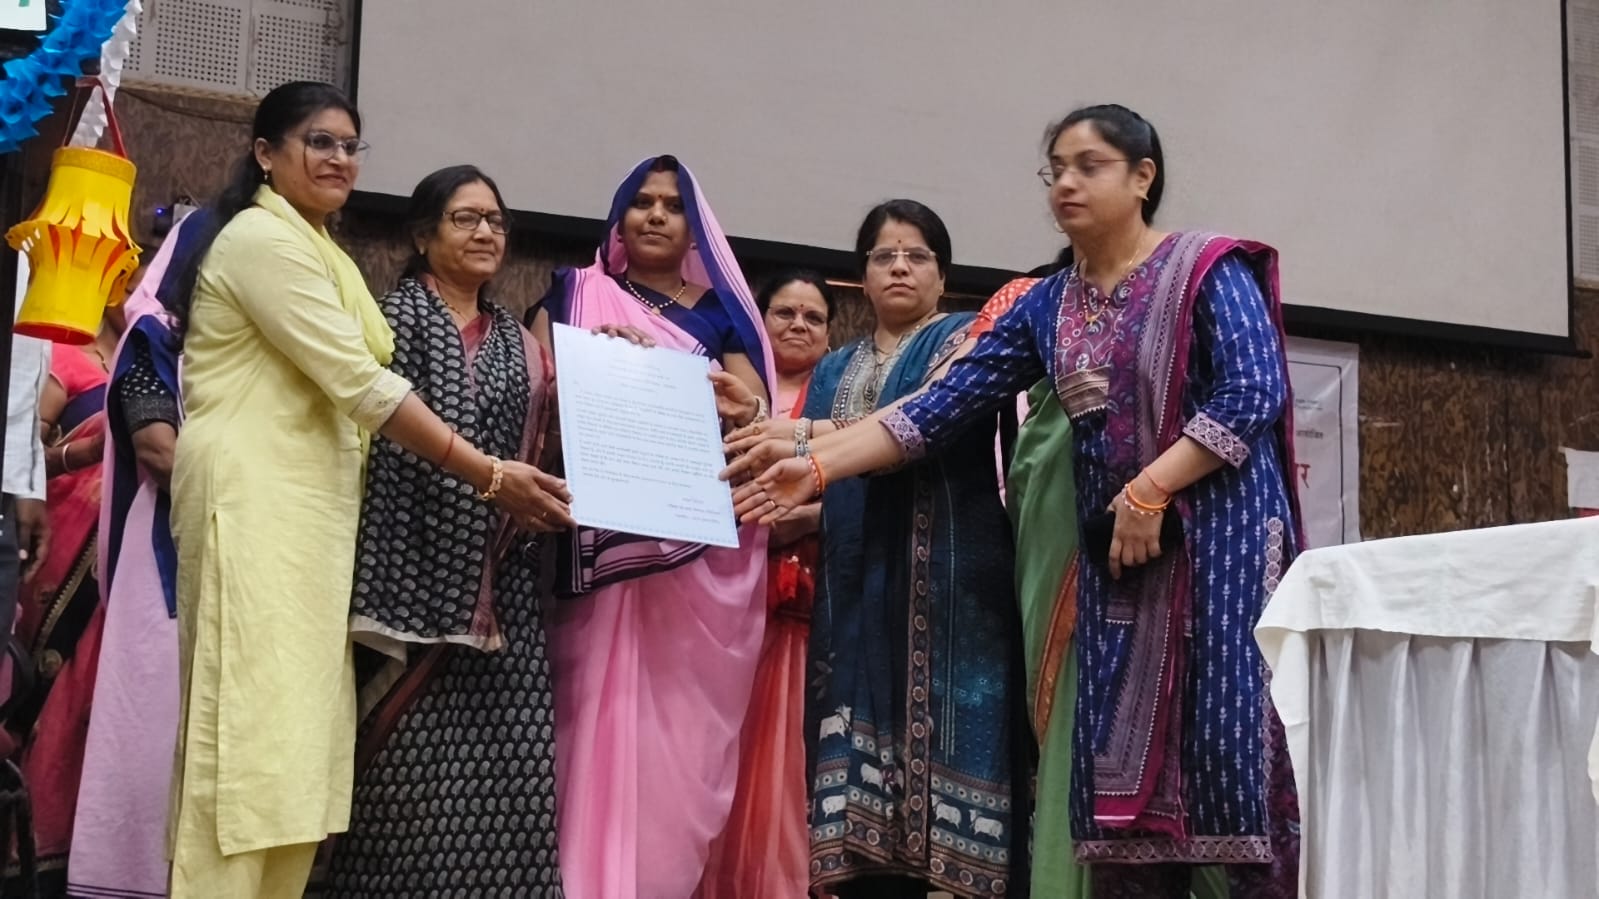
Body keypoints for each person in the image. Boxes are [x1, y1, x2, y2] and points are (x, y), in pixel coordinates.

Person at [730, 104, 1302, 899]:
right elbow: (939, 407)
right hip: (1122, 573)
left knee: (1223, 767)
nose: (1065, 183)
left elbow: (1251, 391)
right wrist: (817, 466)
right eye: (1054, 169)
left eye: (1088, 165)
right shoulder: (1047, 304)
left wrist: (1150, 488)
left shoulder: (1206, 269)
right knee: (1120, 800)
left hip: (1217, 562)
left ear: (1142, 177)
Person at [164, 81, 569, 898]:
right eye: (319, 142)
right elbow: (364, 386)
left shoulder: (325, 254)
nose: (339, 159)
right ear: (265, 153)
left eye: (351, 146)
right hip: (254, 508)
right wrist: (491, 475)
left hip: (320, 524)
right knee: (245, 749)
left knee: (298, 761)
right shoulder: (259, 241)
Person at [734, 200, 1031, 898]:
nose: (900, 266)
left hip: (954, 588)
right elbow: (832, 476)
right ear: (861, 277)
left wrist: (796, 434)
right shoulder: (835, 367)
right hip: (855, 586)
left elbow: (920, 427)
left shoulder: (966, 340)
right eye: (883, 256)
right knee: (861, 834)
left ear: (942, 276)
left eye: (917, 255)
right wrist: (785, 486)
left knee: (964, 754)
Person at [526, 154, 774, 899]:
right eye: (642, 201)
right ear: (619, 217)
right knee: (584, 718)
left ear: (696, 228)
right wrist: (597, 367)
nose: (657, 215)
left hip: (685, 564)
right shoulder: (574, 292)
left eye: (673, 205)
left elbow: (754, 421)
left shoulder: (721, 313)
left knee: (674, 739)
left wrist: (724, 400)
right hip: (593, 551)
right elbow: (532, 396)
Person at [324, 164, 571, 896]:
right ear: (422, 235)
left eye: (495, 220)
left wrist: (618, 360)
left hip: (503, 599)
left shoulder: (524, 346)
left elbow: (554, 441)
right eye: (466, 218)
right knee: (401, 791)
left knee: (511, 782)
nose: (485, 231)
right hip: (399, 587)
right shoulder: (385, 323)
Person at [66, 212, 206, 899]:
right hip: (165, 562)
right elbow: (160, 452)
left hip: (240, 560)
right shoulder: (154, 340)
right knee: (154, 732)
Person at [698, 271, 834, 899]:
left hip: (802, 608)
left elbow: (863, 488)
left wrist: (804, 517)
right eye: (784, 312)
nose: (799, 325)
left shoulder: (838, 400)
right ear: (759, 321)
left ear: (829, 334)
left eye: (814, 316)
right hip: (718, 601)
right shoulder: (726, 388)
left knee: (783, 753)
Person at [12, 288, 124, 888]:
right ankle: (33, 848)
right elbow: (22, 452)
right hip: (64, 550)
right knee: (54, 689)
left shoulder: (161, 354)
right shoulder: (62, 351)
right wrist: (91, 450)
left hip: (124, 560)